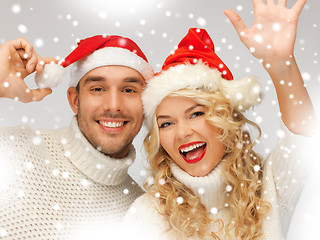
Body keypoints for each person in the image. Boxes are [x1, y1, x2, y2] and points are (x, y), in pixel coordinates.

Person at [123, 0, 317, 239]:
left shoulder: (267, 188)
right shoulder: (148, 215)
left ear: (226, 117)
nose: (182, 132)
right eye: (166, 123)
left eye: (196, 113)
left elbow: (303, 137)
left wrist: (281, 66)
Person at [0, 35, 153, 239]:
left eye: (129, 90)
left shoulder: (145, 216)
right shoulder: (10, 151)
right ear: (75, 100)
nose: (114, 105)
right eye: (98, 89)